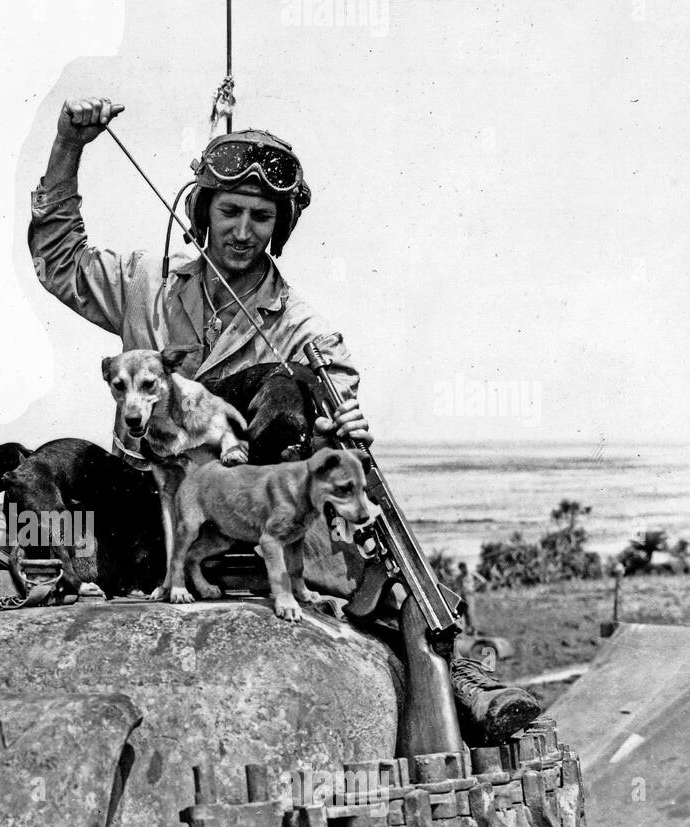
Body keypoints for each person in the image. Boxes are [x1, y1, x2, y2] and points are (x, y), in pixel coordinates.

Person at [28, 96, 540, 746]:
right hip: (156, 511)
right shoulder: (144, 286)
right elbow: (58, 259)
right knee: (49, 463)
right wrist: (70, 145)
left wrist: (342, 419)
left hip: (251, 514)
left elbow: (336, 440)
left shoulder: (304, 331)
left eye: (261, 217)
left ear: (279, 226)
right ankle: (51, 579)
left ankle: (447, 668)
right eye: (230, 211)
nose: (243, 230)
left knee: (281, 387)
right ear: (203, 214)